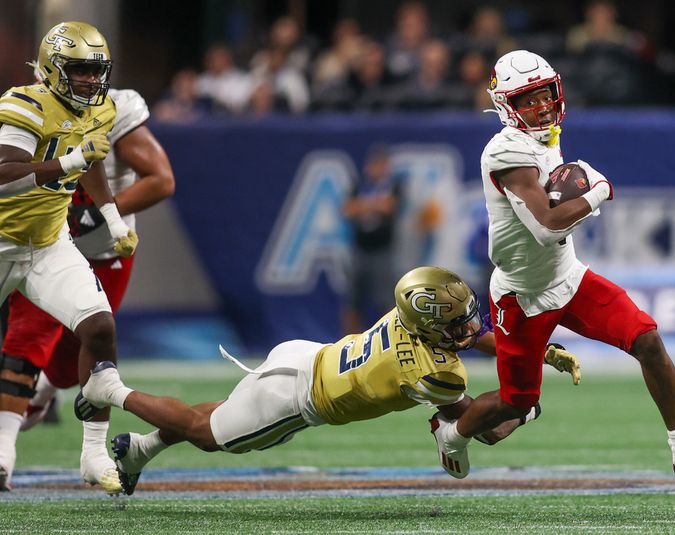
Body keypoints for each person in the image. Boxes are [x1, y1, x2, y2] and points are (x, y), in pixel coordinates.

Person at [428, 50, 675, 485]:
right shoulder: (507, 152)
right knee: (516, 403)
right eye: (528, 99)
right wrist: (597, 192)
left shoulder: (542, 137)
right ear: (505, 106)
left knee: (647, 339)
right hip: (522, 295)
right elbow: (547, 228)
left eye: (545, 94)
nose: (542, 105)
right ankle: (452, 432)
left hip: (568, 278)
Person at [74, 266, 581, 494]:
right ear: (432, 327)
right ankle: (109, 389)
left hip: (306, 355)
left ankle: (138, 450)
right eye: (457, 323)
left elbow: (469, 341)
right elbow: (477, 422)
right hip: (299, 397)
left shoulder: (411, 315)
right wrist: (526, 400)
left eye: (469, 315)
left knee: (225, 411)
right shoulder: (434, 372)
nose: (472, 329)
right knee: (205, 434)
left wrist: (530, 353)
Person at [0, 21, 136, 493]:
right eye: (80, 71)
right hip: (0, 237)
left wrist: (114, 221)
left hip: (47, 242)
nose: (91, 81)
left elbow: (93, 159)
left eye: (97, 71)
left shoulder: (100, 108)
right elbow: (5, 172)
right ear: (54, 69)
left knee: (99, 328)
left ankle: (93, 454)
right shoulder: (25, 102)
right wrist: (70, 162)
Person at [10, 87, 175, 434]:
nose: (82, 81)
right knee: (26, 338)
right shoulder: (27, 108)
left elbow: (161, 179)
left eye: (89, 70)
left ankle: (43, 391)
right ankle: (5, 450)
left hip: (99, 249)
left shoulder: (112, 111)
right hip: (39, 242)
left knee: (76, 358)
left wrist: (104, 217)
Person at [341, 145, 402, 334]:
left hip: (382, 251)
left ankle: (388, 340)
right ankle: (348, 343)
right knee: (353, 300)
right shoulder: (360, 185)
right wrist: (374, 204)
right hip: (360, 250)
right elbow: (347, 209)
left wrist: (363, 206)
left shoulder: (394, 186)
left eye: (380, 165)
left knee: (386, 300)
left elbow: (389, 207)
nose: (376, 169)